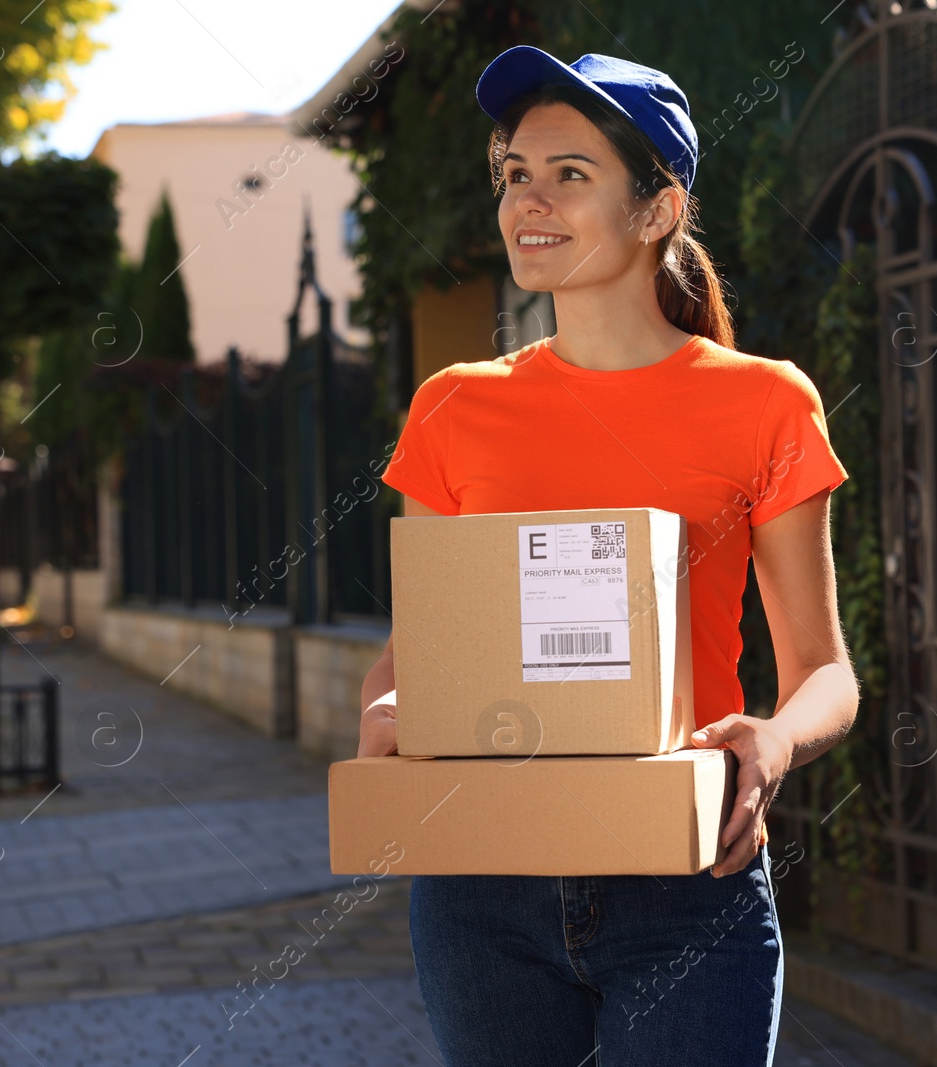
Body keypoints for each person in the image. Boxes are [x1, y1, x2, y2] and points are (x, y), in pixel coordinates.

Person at [359, 47, 860, 1066]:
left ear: (656, 209)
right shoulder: (453, 404)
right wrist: (385, 709)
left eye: (569, 173)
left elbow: (825, 672)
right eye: (513, 174)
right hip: (480, 885)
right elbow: (415, 652)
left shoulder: (765, 402)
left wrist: (772, 740)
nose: (526, 200)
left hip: (684, 875)